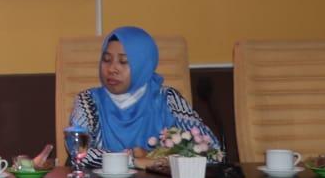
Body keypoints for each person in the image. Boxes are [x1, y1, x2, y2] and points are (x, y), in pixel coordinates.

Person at [68, 25, 223, 169]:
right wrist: (132, 162)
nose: (112, 69)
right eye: (106, 60)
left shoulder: (168, 98)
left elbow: (214, 152)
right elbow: (78, 151)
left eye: (123, 61)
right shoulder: (88, 101)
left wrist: (156, 157)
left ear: (143, 65)